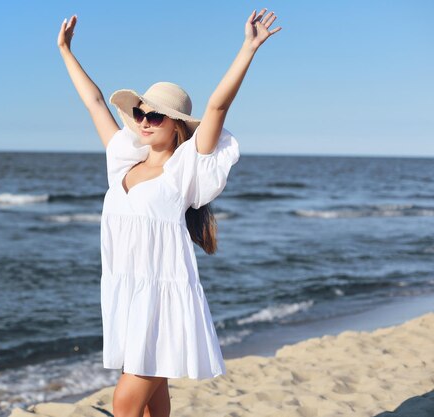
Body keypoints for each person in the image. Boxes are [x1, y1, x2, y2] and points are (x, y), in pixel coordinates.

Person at [58, 9, 281, 417]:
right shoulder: (124, 159)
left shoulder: (184, 170)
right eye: (140, 113)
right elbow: (93, 102)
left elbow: (217, 107)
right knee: (152, 409)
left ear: (176, 125)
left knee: (124, 403)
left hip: (160, 296)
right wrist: (66, 51)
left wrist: (248, 48)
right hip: (126, 293)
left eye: (154, 115)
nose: (143, 121)